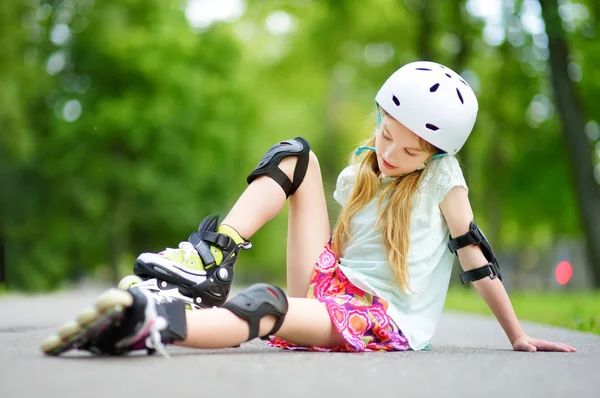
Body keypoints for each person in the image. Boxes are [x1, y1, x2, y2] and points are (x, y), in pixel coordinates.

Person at [41, 61, 575, 357]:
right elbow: (335, 245)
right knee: (297, 155)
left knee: (264, 305)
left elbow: (474, 257)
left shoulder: (442, 179)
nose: (388, 154)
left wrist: (517, 335)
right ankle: (211, 258)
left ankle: (150, 321)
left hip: (382, 317)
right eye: (385, 135)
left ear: (434, 154)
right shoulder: (363, 169)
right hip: (332, 288)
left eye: (409, 151)